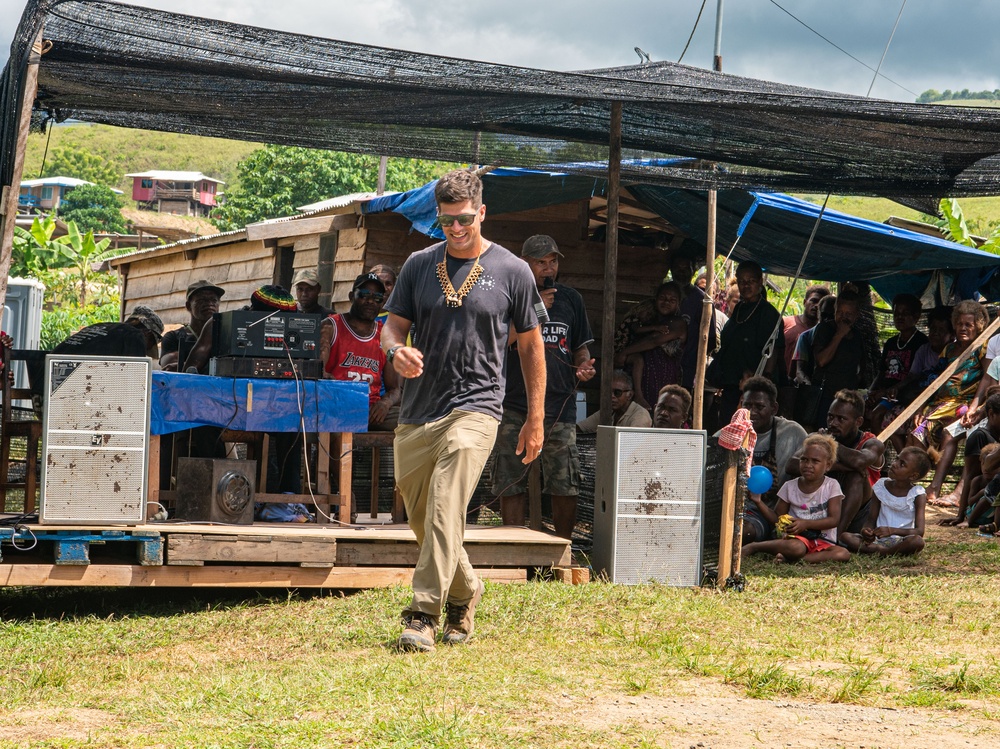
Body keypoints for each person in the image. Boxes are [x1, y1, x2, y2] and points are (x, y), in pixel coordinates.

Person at [380, 169, 545, 652]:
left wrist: (534, 417)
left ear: (482, 212)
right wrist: (395, 351)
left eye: (465, 219)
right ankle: (466, 590)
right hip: (417, 410)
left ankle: (422, 614)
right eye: (447, 221)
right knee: (420, 515)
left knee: (445, 501)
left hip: (477, 407)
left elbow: (532, 349)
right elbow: (391, 329)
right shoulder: (417, 264)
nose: (455, 229)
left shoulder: (514, 270)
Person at [493, 234, 596, 539]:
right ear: (524, 263)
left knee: (565, 481)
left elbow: (580, 348)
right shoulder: (507, 296)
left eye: (552, 262)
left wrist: (583, 365)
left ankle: (561, 549)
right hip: (514, 406)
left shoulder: (571, 299)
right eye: (541, 262)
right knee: (511, 479)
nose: (548, 268)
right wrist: (537, 308)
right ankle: (514, 548)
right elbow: (497, 343)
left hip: (560, 406)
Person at [911, 300, 989, 504]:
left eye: (969, 325)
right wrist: (920, 406)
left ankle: (935, 486)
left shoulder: (981, 349)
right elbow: (935, 380)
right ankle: (911, 484)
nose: (963, 328)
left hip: (964, 403)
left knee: (949, 433)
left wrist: (975, 407)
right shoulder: (949, 350)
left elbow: (986, 379)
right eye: (960, 324)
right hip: (940, 403)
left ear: (978, 327)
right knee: (917, 431)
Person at [741, 433, 851, 563]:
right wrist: (758, 502)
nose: (808, 465)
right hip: (796, 539)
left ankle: (795, 560)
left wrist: (806, 524)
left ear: (828, 465)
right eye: (804, 459)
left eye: (815, 461)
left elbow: (834, 520)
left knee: (843, 554)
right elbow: (777, 518)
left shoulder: (831, 485)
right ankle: (755, 546)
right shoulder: (790, 486)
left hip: (823, 542)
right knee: (796, 548)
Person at [790, 389, 885, 537]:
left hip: (858, 515)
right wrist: (839, 466)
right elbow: (791, 465)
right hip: (821, 508)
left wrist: (829, 441)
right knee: (806, 467)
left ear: (858, 422)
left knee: (856, 475)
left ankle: (833, 538)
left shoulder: (872, 443)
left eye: (841, 419)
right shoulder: (817, 438)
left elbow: (859, 461)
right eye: (830, 417)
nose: (833, 423)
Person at [728, 376, 807, 544]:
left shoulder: (793, 433)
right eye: (747, 405)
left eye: (759, 406)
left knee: (744, 533)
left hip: (774, 513)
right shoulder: (730, 434)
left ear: (774, 408)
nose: (752, 412)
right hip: (736, 508)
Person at [320, 272, 401, 431]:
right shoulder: (330, 326)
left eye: (377, 297)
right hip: (336, 407)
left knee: (411, 422)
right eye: (364, 295)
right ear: (351, 296)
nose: (370, 301)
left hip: (370, 410)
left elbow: (395, 388)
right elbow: (319, 372)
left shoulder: (385, 335)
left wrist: (384, 403)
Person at [707, 260, 783, 425]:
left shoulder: (769, 314)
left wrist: (759, 382)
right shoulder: (740, 308)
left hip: (753, 389)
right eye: (742, 281)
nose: (746, 286)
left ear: (760, 282)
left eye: (751, 281)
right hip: (731, 384)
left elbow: (773, 351)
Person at [841, 446, 930, 557]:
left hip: (901, 540)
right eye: (897, 459)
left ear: (913, 475)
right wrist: (866, 531)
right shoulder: (881, 486)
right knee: (845, 536)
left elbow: (919, 531)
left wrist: (891, 531)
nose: (894, 464)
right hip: (878, 540)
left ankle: (882, 551)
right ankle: (886, 551)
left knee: (917, 542)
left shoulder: (917, 494)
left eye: (902, 464)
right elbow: (871, 519)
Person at [614, 281, 686, 410]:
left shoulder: (678, 323)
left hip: (663, 376)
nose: (666, 302)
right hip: (643, 378)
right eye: (662, 298)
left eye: (672, 300)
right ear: (656, 299)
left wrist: (624, 353)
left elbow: (654, 340)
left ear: (678, 303)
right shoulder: (649, 320)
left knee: (659, 409)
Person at [867, 294, 927, 428]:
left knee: (877, 415)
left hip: (904, 395)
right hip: (884, 393)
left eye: (905, 313)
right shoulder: (891, 342)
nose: (900, 317)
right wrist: (871, 391)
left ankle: (876, 449)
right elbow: (882, 372)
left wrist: (890, 390)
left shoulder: (921, 342)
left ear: (916, 317)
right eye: (896, 313)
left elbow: (915, 375)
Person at [940, 392, 1000, 527]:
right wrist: (961, 516)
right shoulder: (979, 436)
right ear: (991, 414)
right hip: (985, 501)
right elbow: (969, 476)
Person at [811, 289, 865, 422]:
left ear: (856, 315)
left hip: (846, 400)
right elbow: (822, 361)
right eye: (840, 312)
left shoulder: (857, 335)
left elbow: (861, 367)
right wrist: (839, 335)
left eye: (848, 314)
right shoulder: (824, 329)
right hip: (825, 396)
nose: (843, 318)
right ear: (834, 310)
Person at [159, 279, 224, 374]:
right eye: (202, 300)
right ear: (188, 306)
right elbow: (171, 368)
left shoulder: (224, 335)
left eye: (214, 300)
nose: (210, 304)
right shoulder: (174, 337)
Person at [577, 370, 651, 431]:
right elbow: (580, 427)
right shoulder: (608, 411)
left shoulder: (640, 415)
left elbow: (633, 443)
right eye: (608, 392)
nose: (612, 396)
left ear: (630, 395)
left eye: (617, 392)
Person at [782, 285, 829, 378]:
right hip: (781, 381)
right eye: (814, 301)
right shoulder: (785, 323)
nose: (816, 306)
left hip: (805, 385)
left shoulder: (823, 334)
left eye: (821, 303)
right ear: (804, 302)